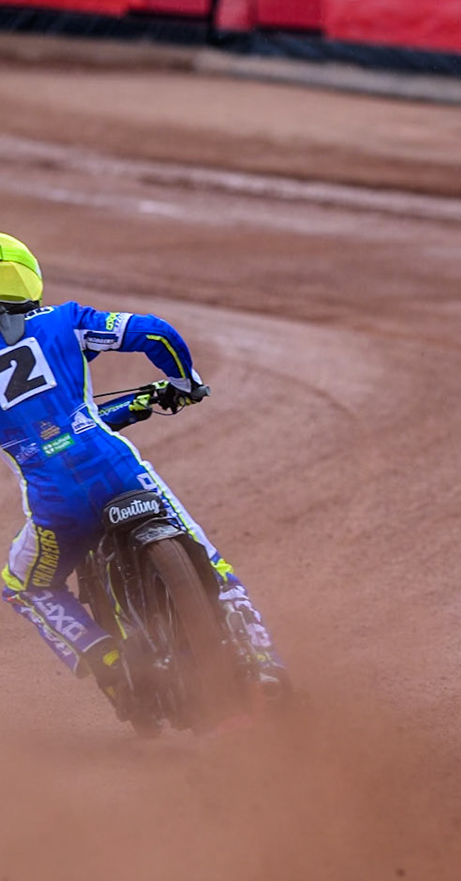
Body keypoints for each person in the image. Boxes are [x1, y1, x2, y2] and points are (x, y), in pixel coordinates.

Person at [0, 234, 285, 717]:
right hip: (121, 474)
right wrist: (183, 384)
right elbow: (154, 333)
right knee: (216, 567)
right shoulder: (65, 322)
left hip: (57, 508)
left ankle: (107, 660)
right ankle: (264, 662)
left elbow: (50, 437)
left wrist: (134, 405)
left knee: (23, 584)